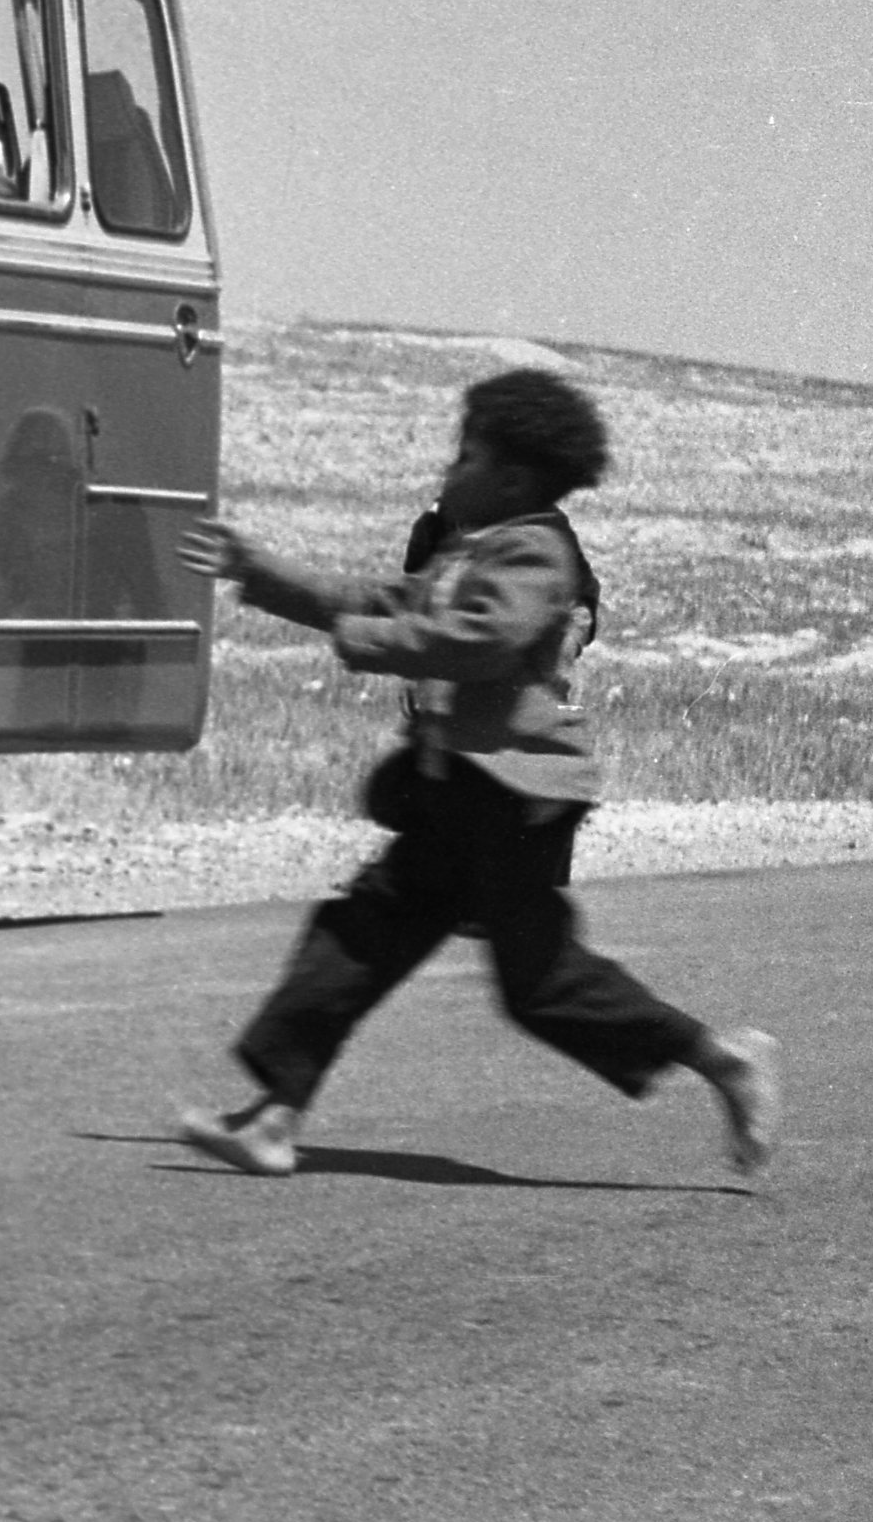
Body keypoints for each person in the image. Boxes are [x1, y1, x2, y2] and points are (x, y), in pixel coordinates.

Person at [174, 367, 781, 1179]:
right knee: (357, 938)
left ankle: (720, 1058)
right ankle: (273, 1118)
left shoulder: (535, 552)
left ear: (515, 478)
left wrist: (363, 642)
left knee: (541, 985)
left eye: (465, 458)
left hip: (512, 798)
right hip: (452, 792)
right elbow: (384, 599)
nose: (446, 473)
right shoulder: (474, 548)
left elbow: (480, 641)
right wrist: (263, 574)